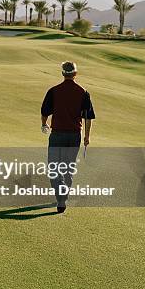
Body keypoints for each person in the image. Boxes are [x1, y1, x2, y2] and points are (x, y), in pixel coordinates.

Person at [40, 61, 95, 213]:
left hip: (57, 134)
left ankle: (60, 198)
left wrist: (44, 124)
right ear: (75, 74)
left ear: (63, 74)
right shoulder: (83, 92)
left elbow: (45, 111)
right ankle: (63, 196)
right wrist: (87, 136)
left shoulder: (54, 91)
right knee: (68, 167)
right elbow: (88, 117)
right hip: (74, 135)